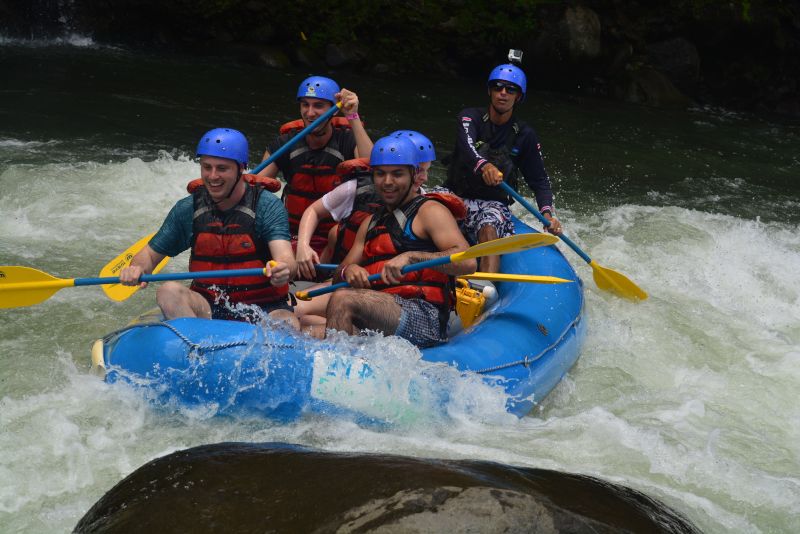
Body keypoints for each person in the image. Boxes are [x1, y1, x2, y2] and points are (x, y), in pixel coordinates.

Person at [119, 128, 299, 328]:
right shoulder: (189, 208)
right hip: (208, 307)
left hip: (263, 309)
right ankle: (197, 349)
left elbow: (286, 260)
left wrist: (283, 269)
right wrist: (136, 268)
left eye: (222, 168)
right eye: (206, 167)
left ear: (241, 169)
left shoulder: (266, 206)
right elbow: (149, 256)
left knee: (287, 321)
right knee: (167, 291)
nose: (212, 176)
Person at [320, 135, 475, 348]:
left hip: (423, 316)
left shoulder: (430, 211)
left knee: (343, 299)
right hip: (382, 313)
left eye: (397, 174)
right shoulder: (371, 223)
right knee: (310, 327)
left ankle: (335, 375)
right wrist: (349, 271)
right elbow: (340, 274)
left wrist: (411, 257)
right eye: (380, 174)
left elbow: (467, 262)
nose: (388, 182)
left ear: (414, 176)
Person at [441, 61, 562, 273]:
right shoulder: (469, 118)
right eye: (497, 87)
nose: (503, 93)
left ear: (519, 96)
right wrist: (483, 165)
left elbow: (539, 181)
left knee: (489, 228)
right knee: (425, 210)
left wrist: (547, 214)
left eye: (510, 89)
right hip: (455, 194)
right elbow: (467, 147)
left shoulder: (525, 135)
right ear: (490, 91)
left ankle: (484, 287)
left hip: (492, 204)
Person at [256, 75, 373, 260]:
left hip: (334, 236)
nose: (310, 113)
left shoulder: (347, 140)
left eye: (318, 106)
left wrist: (352, 115)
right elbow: (254, 187)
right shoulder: (285, 143)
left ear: (334, 109)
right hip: (291, 234)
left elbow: (375, 170)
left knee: (337, 235)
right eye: (305, 105)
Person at [294, 129, 436, 280]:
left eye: (426, 170)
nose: (425, 178)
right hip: (343, 270)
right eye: (420, 170)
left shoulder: (425, 205)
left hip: (382, 277)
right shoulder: (358, 188)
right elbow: (314, 211)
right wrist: (303, 245)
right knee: (334, 234)